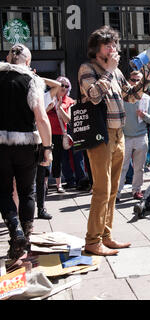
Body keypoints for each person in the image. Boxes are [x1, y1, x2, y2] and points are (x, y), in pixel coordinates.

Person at [78, 25, 150, 256]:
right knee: (102, 189)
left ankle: (106, 235)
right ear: (96, 48)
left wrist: (146, 80)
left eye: (115, 44)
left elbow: (131, 96)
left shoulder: (117, 71)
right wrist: (109, 72)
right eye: (108, 44)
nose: (114, 48)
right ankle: (92, 241)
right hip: (101, 136)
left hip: (119, 135)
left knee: (112, 191)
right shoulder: (87, 68)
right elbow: (93, 96)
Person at [0, 44, 53, 259]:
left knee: (3, 191)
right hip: (26, 145)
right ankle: (25, 239)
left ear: (7, 58)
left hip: (1, 145)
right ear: (28, 62)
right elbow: (41, 117)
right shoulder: (32, 81)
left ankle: (16, 231)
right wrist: (48, 148)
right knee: (26, 192)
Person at [117, 71, 150, 202]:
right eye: (133, 80)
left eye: (138, 80)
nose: (135, 83)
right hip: (125, 136)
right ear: (128, 81)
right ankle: (117, 193)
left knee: (139, 167)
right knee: (122, 166)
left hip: (141, 135)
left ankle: (137, 190)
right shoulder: (123, 96)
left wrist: (144, 116)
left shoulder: (146, 98)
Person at [43, 76, 74, 193]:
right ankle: (44, 184)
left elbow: (68, 120)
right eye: (61, 85)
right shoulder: (48, 97)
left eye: (66, 86)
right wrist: (48, 108)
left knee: (58, 160)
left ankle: (58, 184)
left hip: (59, 133)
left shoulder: (69, 101)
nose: (63, 88)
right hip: (46, 132)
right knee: (45, 158)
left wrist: (60, 107)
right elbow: (40, 114)